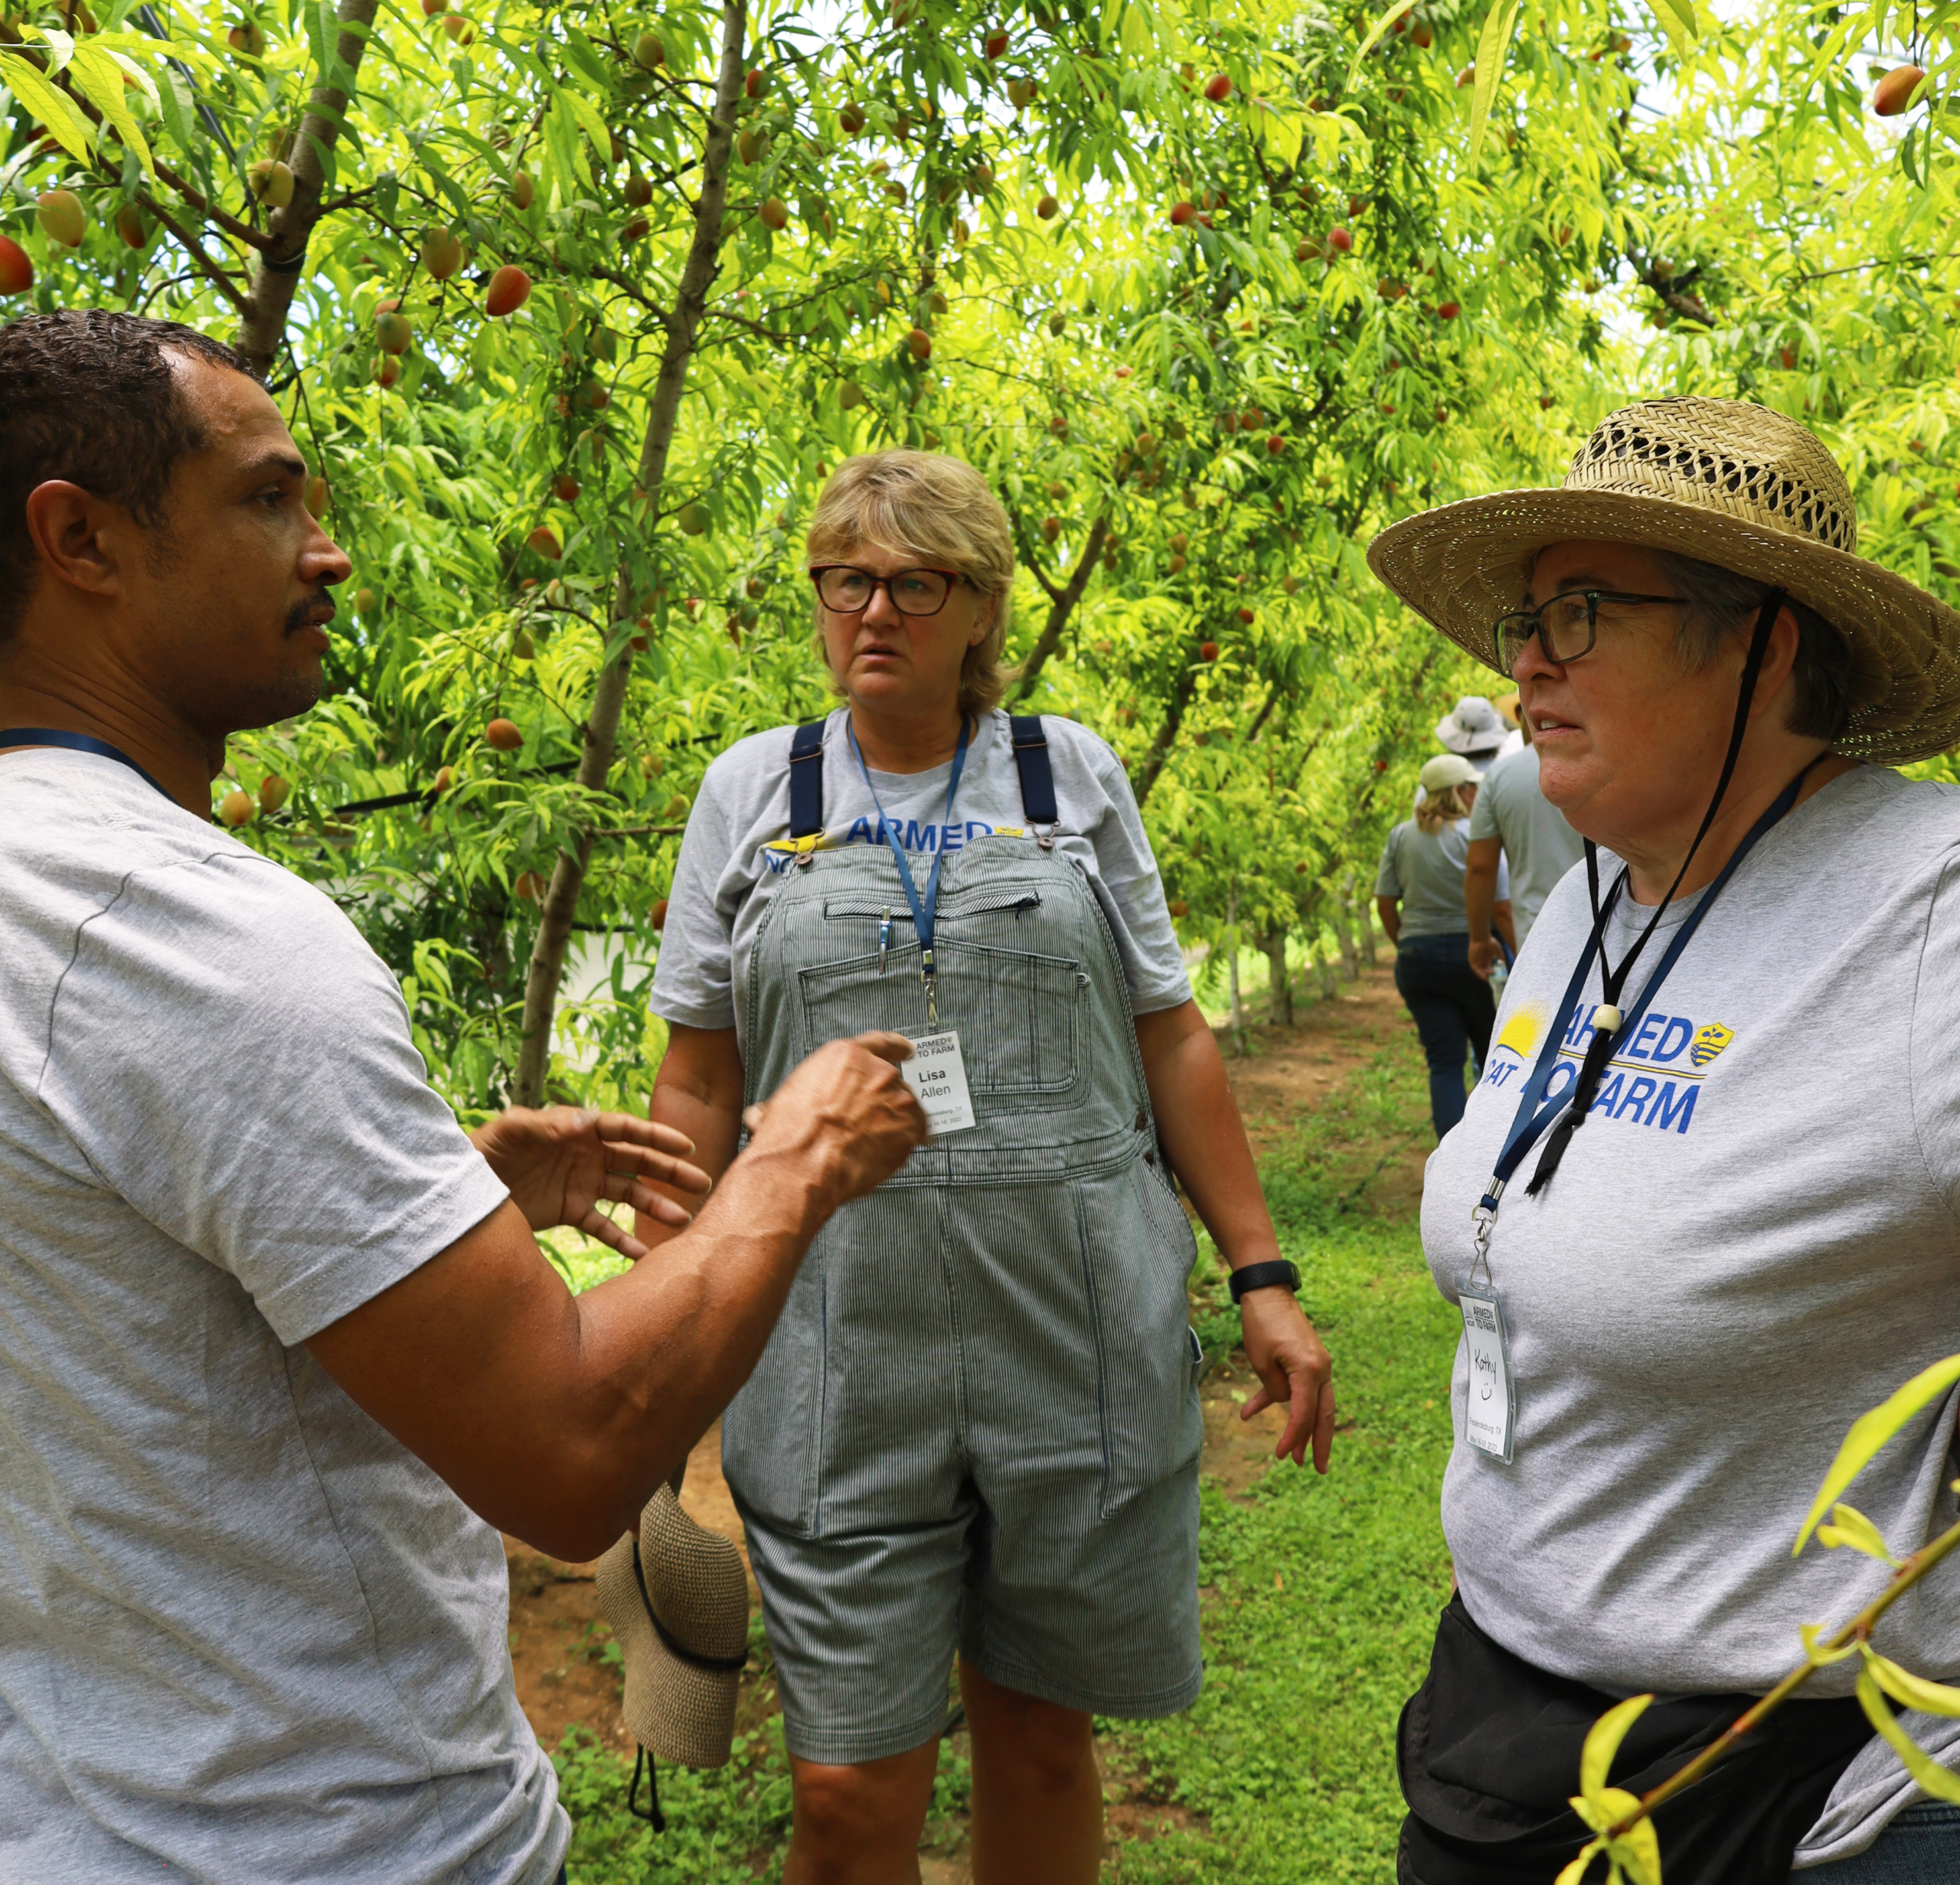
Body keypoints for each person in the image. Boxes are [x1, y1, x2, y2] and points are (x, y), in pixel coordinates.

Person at [0, 310, 928, 1884]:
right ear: (80, 538)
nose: (330, 551)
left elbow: (106, 1305)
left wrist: (440, 1197)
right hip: (329, 1832)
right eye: (270, 496)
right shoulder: (198, 940)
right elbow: (567, 1453)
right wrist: (798, 1154)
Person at [640, 448, 1335, 1885]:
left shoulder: (1063, 770)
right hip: (835, 1344)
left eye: (915, 581)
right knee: (842, 1785)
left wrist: (1263, 1274)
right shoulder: (751, 788)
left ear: (980, 607)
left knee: (1035, 1739)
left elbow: (1170, 1032)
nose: (874, 609)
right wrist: (660, 1319)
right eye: (847, 580)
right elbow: (699, 1074)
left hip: (1069, 1330)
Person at [1368, 394, 1960, 1883]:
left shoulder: (1919, 915)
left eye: (1581, 609)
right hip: (1504, 1726)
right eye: (1524, 613)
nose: (1525, 658)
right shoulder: (1589, 902)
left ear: (1760, 639)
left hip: (1790, 1787)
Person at [1377, 753, 1515, 1139]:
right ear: (1459, 791)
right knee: (1495, 1058)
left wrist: (1407, 942)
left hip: (1417, 959)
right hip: (1473, 954)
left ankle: (1450, 1155)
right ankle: (1493, 1146)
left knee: (1444, 1063)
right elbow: (1501, 905)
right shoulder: (1476, 835)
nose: (1476, 793)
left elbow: (1385, 903)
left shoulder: (1401, 836)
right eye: (1472, 787)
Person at [1463, 712, 1584, 977]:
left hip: (1538, 933)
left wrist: (1480, 939)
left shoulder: (1501, 775)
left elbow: (1481, 867)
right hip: (1614, 927)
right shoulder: (1600, 760)